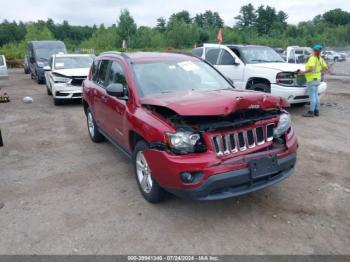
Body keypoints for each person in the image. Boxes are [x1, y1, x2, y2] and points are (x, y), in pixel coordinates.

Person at [297, 44, 328, 117]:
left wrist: (302, 72)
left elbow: (310, 69)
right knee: (316, 95)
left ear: (314, 50)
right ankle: (316, 111)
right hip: (318, 79)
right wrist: (319, 71)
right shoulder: (320, 58)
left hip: (311, 79)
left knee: (312, 97)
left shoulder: (312, 58)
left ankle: (311, 112)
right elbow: (325, 68)